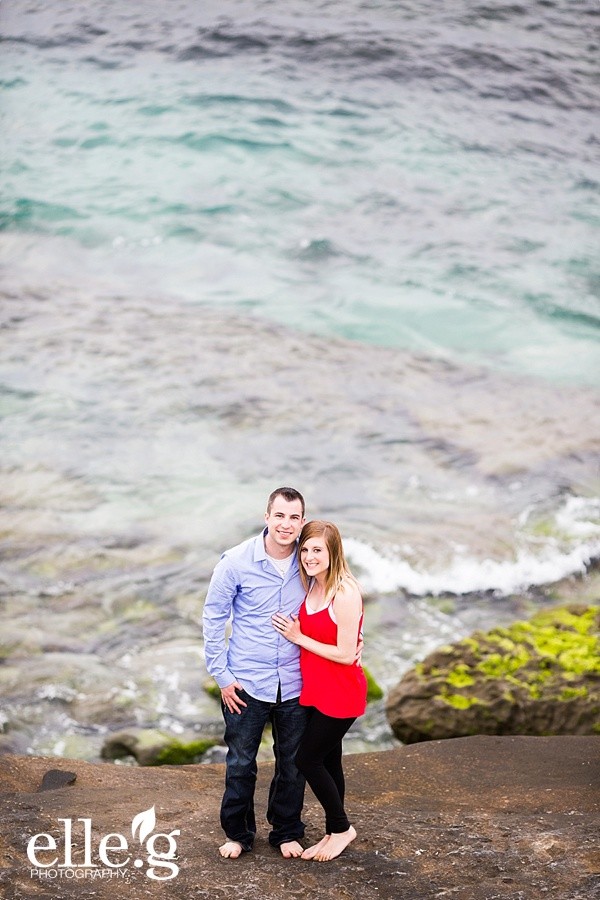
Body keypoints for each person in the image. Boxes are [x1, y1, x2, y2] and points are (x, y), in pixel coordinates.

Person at [202, 487, 308, 860]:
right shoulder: (235, 561)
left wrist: (352, 640)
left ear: (301, 522)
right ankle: (238, 834)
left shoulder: (310, 559)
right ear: (267, 517)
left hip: (296, 680)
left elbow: (338, 595)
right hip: (246, 681)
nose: (286, 524)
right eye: (279, 516)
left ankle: (287, 832)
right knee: (241, 762)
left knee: (293, 763)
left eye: (294, 517)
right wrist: (222, 676)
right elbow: (214, 617)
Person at [272, 520, 367, 862]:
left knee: (306, 759)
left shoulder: (344, 591)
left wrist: (298, 638)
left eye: (318, 550)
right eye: (306, 549)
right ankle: (332, 831)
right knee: (330, 759)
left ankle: (342, 828)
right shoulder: (311, 583)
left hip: (341, 692)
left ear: (333, 552)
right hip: (316, 688)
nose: (310, 557)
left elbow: (344, 654)